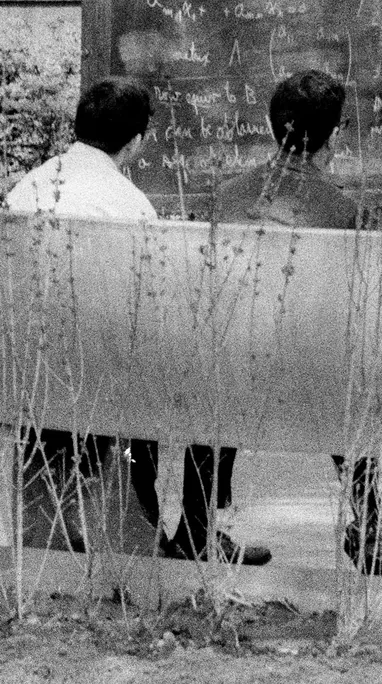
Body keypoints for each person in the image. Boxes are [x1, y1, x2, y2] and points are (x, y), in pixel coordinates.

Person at [4, 78, 270, 566]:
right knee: (198, 376)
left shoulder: (30, 185)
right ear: (137, 141)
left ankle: (73, 524)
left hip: (30, 367)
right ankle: (173, 528)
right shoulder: (128, 203)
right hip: (106, 369)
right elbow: (152, 305)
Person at [213, 70, 364, 567]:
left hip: (232, 366)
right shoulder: (342, 209)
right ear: (334, 135)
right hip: (318, 372)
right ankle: (373, 523)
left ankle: (199, 526)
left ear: (272, 124)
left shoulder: (228, 195)